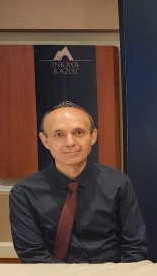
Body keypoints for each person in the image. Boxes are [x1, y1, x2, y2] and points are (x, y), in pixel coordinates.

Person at [9, 101, 148, 263]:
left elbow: (135, 247)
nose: (70, 143)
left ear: (93, 136)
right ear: (45, 140)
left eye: (79, 133)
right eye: (59, 135)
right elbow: (33, 255)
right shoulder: (24, 193)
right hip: (53, 275)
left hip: (111, 273)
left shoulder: (118, 183)